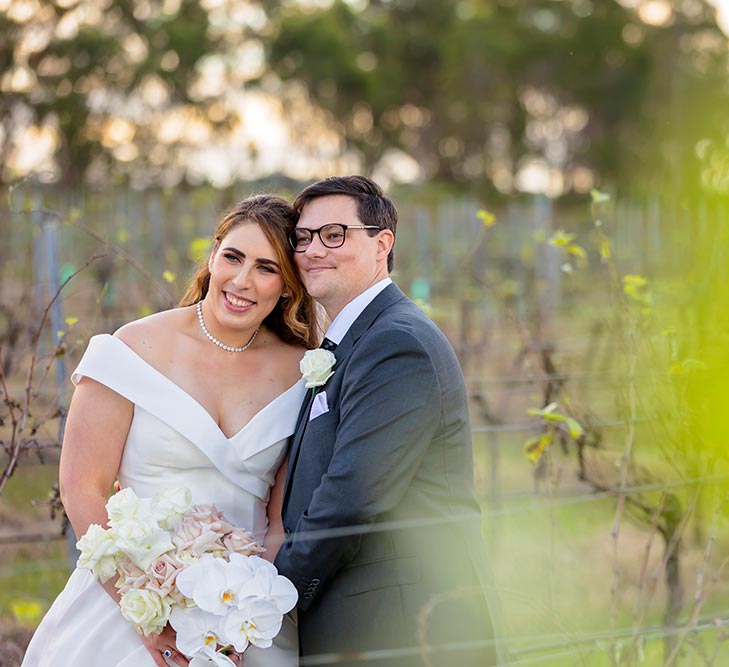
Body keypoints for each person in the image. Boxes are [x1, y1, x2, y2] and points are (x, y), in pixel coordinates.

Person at [22, 194, 319, 667]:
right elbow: (82, 488)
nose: (242, 281)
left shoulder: (302, 371)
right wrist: (148, 613)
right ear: (213, 256)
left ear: (287, 286)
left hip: (243, 615)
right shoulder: (131, 349)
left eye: (267, 268)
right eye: (233, 257)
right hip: (127, 599)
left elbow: (279, 520)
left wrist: (240, 618)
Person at [275, 176, 499, 666]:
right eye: (303, 238)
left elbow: (351, 497)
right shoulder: (352, 339)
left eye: (334, 234)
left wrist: (270, 596)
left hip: (402, 626)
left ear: (382, 244)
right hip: (365, 620)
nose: (314, 249)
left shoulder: (397, 343)